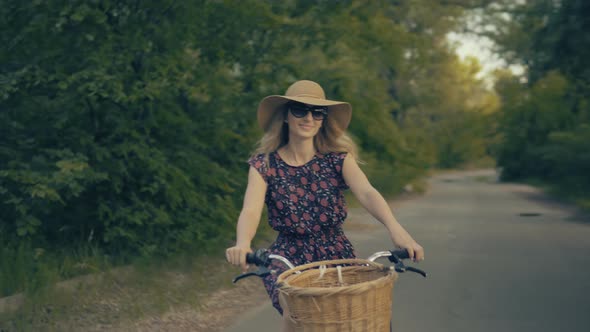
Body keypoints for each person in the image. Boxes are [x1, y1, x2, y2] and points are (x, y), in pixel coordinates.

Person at [225, 80, 424, 327]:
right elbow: (251, 209)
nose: (309, 117)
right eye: (300, 110)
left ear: (323, 119)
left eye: (317, 112)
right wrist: (243, 244)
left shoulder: (337, 159)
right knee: (297, 314)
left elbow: (367, 193)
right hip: (288, 254)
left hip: (336, 250)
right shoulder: (264, 164)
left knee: (358, 317)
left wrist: (397, 230)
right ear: (286, 116)